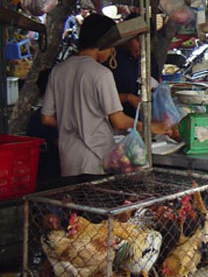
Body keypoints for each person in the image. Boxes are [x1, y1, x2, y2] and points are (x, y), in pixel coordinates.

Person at [41, 14, 166, 178]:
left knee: (73, 201)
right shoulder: (101, 73)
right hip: (95, 160)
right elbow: (119, 121)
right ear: (104, 43)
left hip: (68, 160)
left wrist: (74, 122)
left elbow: (47, 118)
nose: (112, 51)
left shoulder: (59, 70)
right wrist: (150, 127)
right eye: (112, 45)